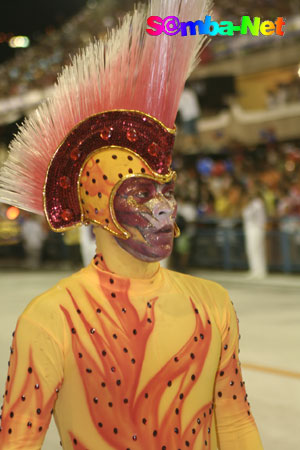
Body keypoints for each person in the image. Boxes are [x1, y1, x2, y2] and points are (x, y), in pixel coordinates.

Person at [0, 1, 263, 448]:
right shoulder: (51, 319)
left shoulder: (212, 304)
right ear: (99, 208)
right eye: (141, 194)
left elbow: (234, 423)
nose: (164, 208)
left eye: (165, 190)